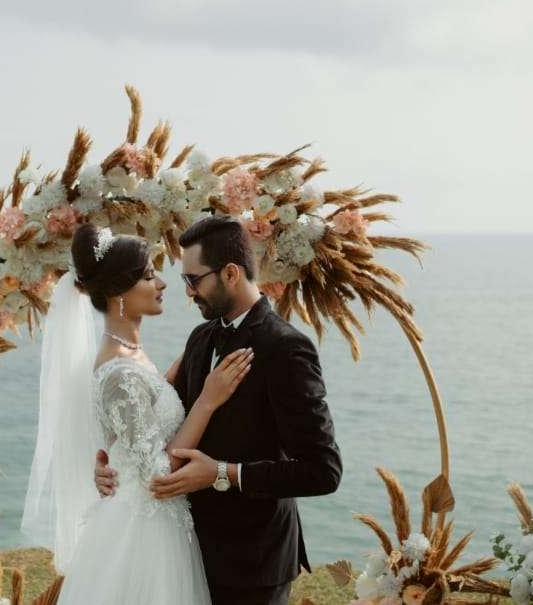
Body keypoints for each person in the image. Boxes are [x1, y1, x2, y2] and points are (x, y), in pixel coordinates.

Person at [94, 215, 342, 605]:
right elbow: (158, 422)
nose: (188, 292)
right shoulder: (200, 338)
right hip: (185, 554)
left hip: (253, 565)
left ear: (230, 273)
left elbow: (322, 471)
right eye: (185, 280)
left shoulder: (286, 348)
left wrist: (223, 473)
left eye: (194, 280)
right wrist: (115, 467)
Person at [23, 222, 255, 604]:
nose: (161, 283)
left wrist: (180, 369)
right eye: (148, 276)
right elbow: (159, 475)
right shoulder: (119, 372)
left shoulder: (131, 357)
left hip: (154, 523)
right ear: (119, 293)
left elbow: (142, 415)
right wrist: (207, 400)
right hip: (143, 535)